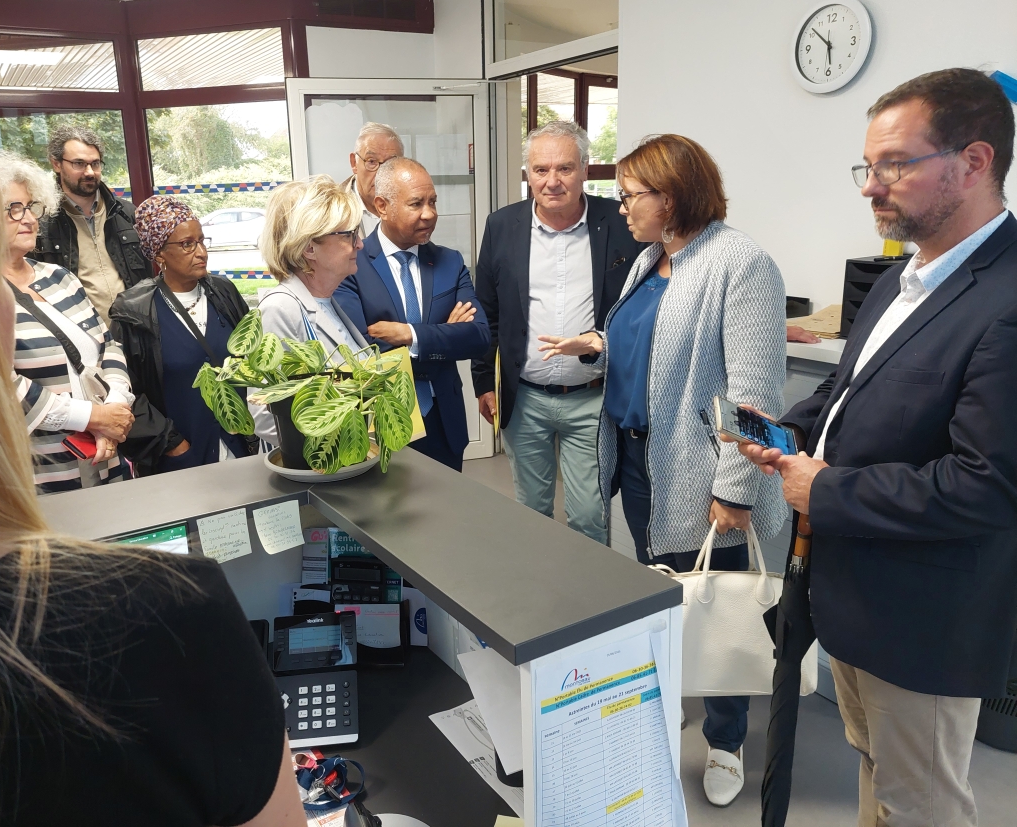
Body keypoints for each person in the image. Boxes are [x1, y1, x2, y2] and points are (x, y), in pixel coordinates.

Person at [0, 60, 302, 826]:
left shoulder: (75, 284)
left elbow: (108, 354)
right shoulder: (164, 614)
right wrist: (86, 416)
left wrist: (114, 406)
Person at [737, 68, 1017, 827]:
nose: (870, 186)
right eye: (867, 166)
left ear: (974, 161)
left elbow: (986, 485)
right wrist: (791, 431)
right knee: (878, 775)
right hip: (853, 596)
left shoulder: (1007, 299)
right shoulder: (901, 279)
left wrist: (824, 490)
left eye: (895, 164)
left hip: (923, 620)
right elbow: (845, 391)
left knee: (920, 804)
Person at [539, 134, 787, 807]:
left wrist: (735, 490)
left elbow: (754, 395)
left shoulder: (741, 264)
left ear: (671, 198)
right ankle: (671, 691)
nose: (620, 208)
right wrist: (597, 343)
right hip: (642, 461)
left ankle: (726, 741)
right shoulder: (653, 259)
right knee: (666, 591)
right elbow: (645, 341)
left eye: (630, 196)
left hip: (704, 475)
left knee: (718, 603)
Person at [471, 121, 647, 543]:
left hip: (593, 397)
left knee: (589, 515)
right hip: (525, 398)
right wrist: (484, 382)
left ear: (585, 169)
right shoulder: (502, 225)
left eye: (565, 168)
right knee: (531, 511)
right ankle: (539, 583)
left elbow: (649, 304)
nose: (552, 181)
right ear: (528, 173)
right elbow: (487, 313)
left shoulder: (621, 222)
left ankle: (589, 586)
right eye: (540, 170)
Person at [335, 157, 491, 471]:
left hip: (444, 421)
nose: (429, 213)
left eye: (433, 202)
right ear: (382, 206)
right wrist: (444, 337)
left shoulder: (449, 262)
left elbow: (479, 337)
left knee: (448, 501)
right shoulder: (352, 265)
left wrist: (410, 334)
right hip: (384, 422)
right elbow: (363, 354)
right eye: (416, 204)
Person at [0, 151, 135, 494]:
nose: (29, 218)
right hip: (42, 478)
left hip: (106, 458)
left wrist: (115, 406)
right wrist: (92, 418)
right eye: (14, 208)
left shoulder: (60, 277)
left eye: (32, 207)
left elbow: (108, 345)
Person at [109, 197, 255, 475]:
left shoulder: (224, 293)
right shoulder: (134, 312)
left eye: (202, 241)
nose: (201, 252)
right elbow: (125, 390)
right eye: (187, 244)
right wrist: (172, 444)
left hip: (240, 448)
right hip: (180, 462)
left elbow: (252, 356)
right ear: (159, 253)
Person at [252, 176, 372, 447]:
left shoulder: (327, 301)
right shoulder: (280, 309)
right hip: (318, 465)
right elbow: (266, 416)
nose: (360, 244)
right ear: (309, 248)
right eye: (349, 235)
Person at [32, 125, 153, 326]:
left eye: (95, 164)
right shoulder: (42, 222)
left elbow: (149, 278)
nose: (89, 172)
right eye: (79, 163)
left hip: (136, 333)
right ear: (56, 164)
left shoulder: (126, 214)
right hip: (79, 335)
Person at [342, 122, 404, 238]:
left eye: (390, 164)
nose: (381, 173)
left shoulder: (410, 204)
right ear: (354, 163)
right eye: (371, 161)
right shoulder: (329, 209)